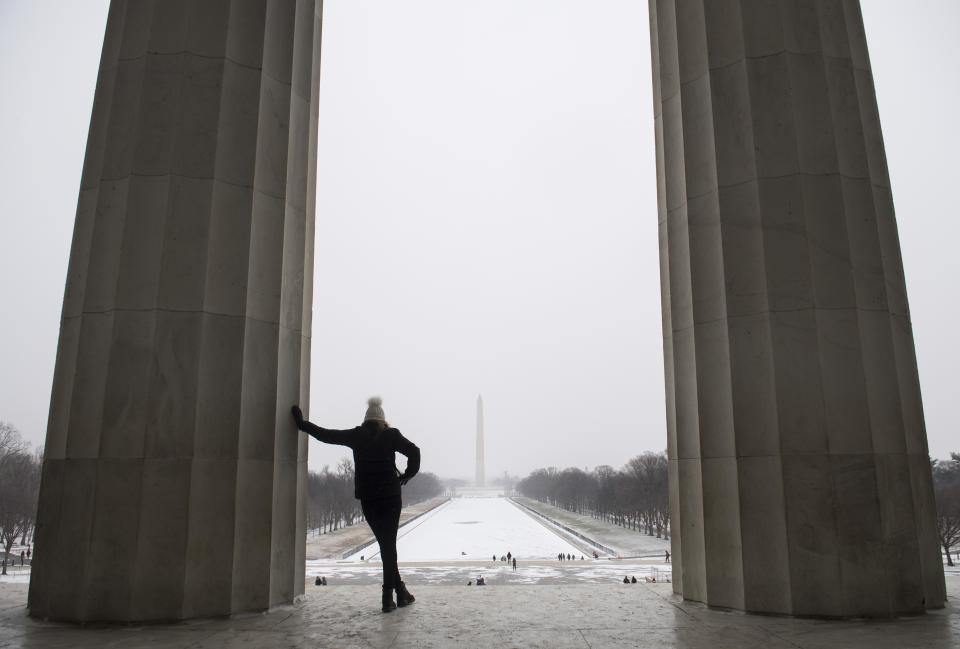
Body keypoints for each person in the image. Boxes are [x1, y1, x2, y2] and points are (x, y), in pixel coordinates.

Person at [292, 397, 420, 613]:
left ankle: (400, 591)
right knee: (388, 545)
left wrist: (302, 424)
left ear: (366, 419)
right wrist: (408, 474)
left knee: (385, 545)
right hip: (390, 496)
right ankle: (388, 596)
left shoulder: (357, 435)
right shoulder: (391, 435)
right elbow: (414, 451)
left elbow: (326, 435)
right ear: (382, 420)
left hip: (369, 498)